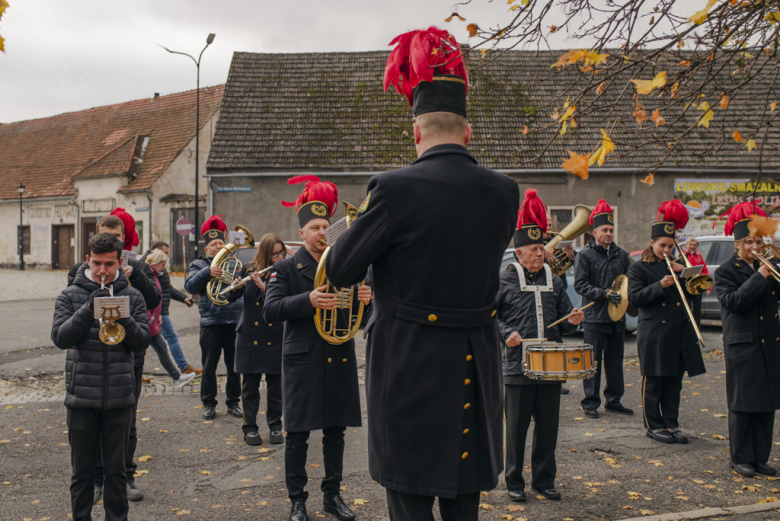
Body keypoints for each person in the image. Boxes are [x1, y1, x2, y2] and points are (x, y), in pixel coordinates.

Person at [324, 27, 519, 521]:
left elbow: (342, 268)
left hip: (411, 366)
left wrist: (365, 216)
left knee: (410, 504)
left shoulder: (392, 189)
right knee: (463, 504)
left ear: (415, 132)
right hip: (476, 365)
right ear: (468, 131)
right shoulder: (505, 191)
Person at [264, 176, 372, 521]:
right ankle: (298, 500)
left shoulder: (346, 267)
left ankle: (332, 496)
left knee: (335, 432)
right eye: (314, 226)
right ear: (303, 232)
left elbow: (359, 313)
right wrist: (308, 299)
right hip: (303, 359)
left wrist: (366, 301)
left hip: (338, 354)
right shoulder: (285, 268)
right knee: (297, 434)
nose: (322, 231)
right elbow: (271, 309)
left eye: (326, 224)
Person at [52, 232, 151, 521]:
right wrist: (87, 310)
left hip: (120, 398)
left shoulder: (133, 296)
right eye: (97, 263)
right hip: (81, 397)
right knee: (82, 474)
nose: (102, 271)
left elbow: (142, 342)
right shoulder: (70, 295)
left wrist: (123, 316)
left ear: (120, 262)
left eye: (109, 264)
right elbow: (60, 337)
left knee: (117, 473)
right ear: (87, 260)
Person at [68, 209, 160, 504]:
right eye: (106, 236)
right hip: (92, 357)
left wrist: (136, 278)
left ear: (124, 241)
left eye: (117, 237)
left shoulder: (134, 264)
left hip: (127, 354)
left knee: (126, 420)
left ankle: (126, 475)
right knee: (91, 423)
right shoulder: (83, 270)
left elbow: (155, 299)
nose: (112, 241)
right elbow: (69, 309)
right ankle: (96, 480)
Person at [498, 189, 584, 503]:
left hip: (551, 365)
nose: (540, 253)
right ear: (518, 252)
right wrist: (506, 332)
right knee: (516, 430)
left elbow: (564, 315)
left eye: (541, 248)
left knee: (548, 429)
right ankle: (514, 482)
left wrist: (573, 319)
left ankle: (544, 481)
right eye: (534, 249)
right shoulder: (504, 279)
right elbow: (491, 318)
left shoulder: (555, 279)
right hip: (517, 367)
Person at [627, 200, 706, 445]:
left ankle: (671, 423)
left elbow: (695, 292)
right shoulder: (639, 268)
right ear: (652, 243)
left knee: (674, 382)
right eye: (663, 245)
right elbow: (634, 299)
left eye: (671, 246)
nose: (667, 250)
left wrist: (686, 273)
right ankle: (654, 425)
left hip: (678, 331)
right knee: (654, 381)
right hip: (654, 331)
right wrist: (659, 285)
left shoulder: (678, 265)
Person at [714, 201, 780, 478]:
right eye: (748, 242)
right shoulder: (725, 271)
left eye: (757, 241)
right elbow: (733, 301)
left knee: (766, 403)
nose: (754, 246)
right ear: (738, 244)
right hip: (742, 345)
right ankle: (740, 457)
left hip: (769, 343)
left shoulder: (770, 266)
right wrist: (760, 277)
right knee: (743, 403)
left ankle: (760, 458)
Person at [225, 234, 287, 446]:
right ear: (265, 254)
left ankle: (276, 426)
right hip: (250, 334)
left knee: (275, 386)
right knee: (249, 387)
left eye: (281, 252)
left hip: (275, 334)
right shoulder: (249, 269)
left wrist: (264, 286)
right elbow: (231, 298)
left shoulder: (285, 270)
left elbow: (285, 299)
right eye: (275, 253)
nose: (279, 257)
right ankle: (250, 428)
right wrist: (235, 288)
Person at [574, 199, 633, 418]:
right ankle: (590, 402)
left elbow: (630, 279)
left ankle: (614, 400)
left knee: (615, 362)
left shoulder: (621, 254)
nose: (608, 234)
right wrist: (603, 293)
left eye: (611, 230)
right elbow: (580, 285)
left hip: (617, 318)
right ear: (595, 232)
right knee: (592, 363)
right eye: (604, 230)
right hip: (595, 318)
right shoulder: (585, 255)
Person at [184, 216, 244, 420]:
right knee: (209, 365)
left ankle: (233, 402)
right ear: (207, 249)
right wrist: (207, 273)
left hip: (234, 319)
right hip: (211, 321)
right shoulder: (198, 264)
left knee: (234, 366)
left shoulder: (235, 264)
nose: (218, 246)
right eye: (213, 244)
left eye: (221, 243)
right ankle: (209, 403)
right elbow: (190, 286)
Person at [141, 241, 200, 376]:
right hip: (157, 313)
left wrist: (183, 298)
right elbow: (151, 294)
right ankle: (183, 368)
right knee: (168, 339)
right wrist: (158, 313)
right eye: (166, 252)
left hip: (160, 311)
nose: (168, 255)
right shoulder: (150, 270)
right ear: (157, 254)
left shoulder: (160, 269)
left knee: (151, 343)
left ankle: (139, 372)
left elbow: (168, 289)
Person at [681, 237, 709, 328]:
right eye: (690, 244)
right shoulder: (682, 255)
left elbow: (704, 270)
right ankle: (687, 327)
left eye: (694, 245)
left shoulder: (699, 256)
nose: (692, 246)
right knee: (687, 308)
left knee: (697, 309)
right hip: (687, 285)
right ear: (686, 245)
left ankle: (697, 329)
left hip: (698, 285)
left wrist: (708, 286)